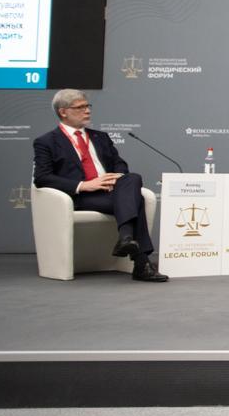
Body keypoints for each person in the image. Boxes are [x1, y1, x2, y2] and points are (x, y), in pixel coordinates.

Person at [32, 89, 167, 282]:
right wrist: (83, 185)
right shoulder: (46, 142)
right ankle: (140, 261)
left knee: (132, 178)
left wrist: (114, 178)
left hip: (110, 192)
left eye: (88, 106)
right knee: (137, 199)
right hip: (81, 196)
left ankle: (127, 240)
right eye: (80, 107)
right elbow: (42, 177)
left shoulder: (100, 137)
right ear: (63, 112)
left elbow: (119, 164)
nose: (87, 111)